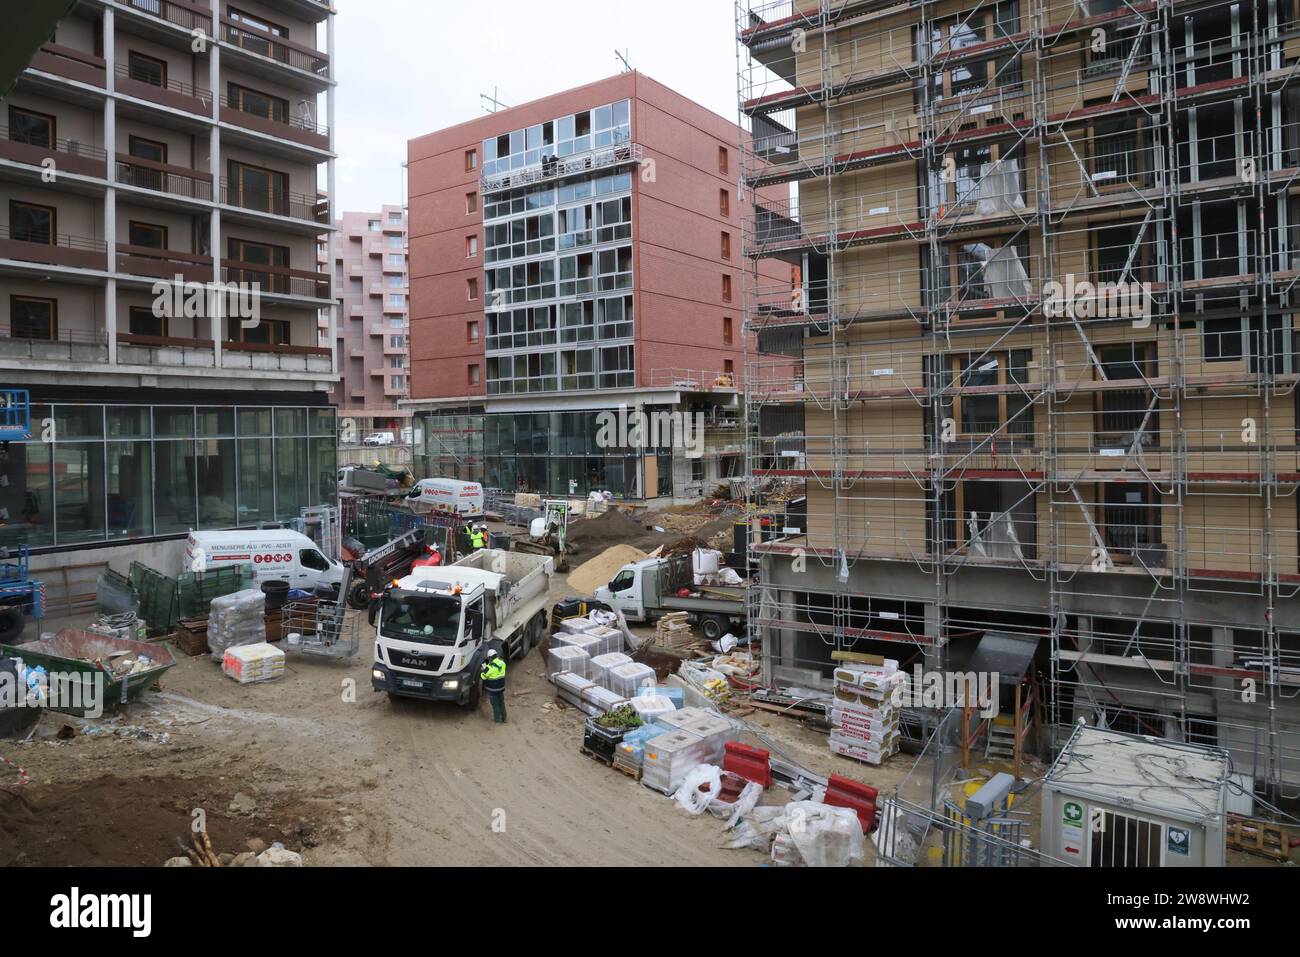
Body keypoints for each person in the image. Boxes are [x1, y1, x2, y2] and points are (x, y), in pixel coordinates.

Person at [481, 648, 507, 723]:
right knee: (501, 702)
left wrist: (483, 670)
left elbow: (483, 676)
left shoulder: (489, 667)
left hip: (493, 689)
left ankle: (497, 719)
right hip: (501, 687)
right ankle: (504, 717)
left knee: (495, 704)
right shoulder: (502, 663)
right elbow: (498, 671)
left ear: (490, 657)